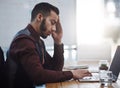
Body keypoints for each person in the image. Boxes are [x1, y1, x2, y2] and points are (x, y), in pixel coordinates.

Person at [6, 2, 91, 88]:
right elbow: (38, 76)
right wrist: (72, 74)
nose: (54, 29)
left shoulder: (38, 41)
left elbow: (55, 69)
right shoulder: (24, 41)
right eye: (52, 22)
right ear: (39, 17)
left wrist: (58, 41)